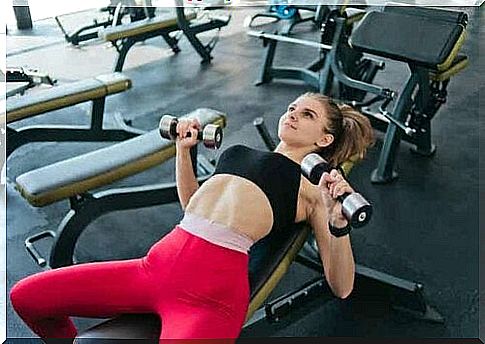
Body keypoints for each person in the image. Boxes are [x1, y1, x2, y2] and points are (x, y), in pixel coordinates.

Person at [10, 92, 374, 342]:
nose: (292, 113)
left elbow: (342, 287)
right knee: (27, 297)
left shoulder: (313, 189)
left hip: (207, 300)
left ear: (324, 140)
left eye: (306, 114)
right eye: (293, 107)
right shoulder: (238, 152)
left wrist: (338, 223)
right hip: (150, 269)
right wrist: (183, 153)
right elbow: (194, 207)